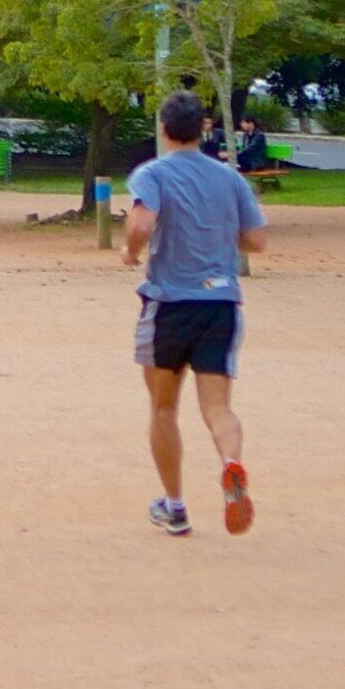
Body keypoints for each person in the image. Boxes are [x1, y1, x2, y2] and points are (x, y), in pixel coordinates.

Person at [121, 91, 267, 536]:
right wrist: (222, 243)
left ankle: (176, 506)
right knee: (218, 407)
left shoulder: (154, 174)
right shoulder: (230, 179)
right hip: (221, 304)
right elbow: (257, 241)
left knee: (164, 407)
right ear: (203, 129)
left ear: (164, 129)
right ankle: (231, 464)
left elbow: (142, 224)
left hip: (170, 304)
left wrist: (131, 250)